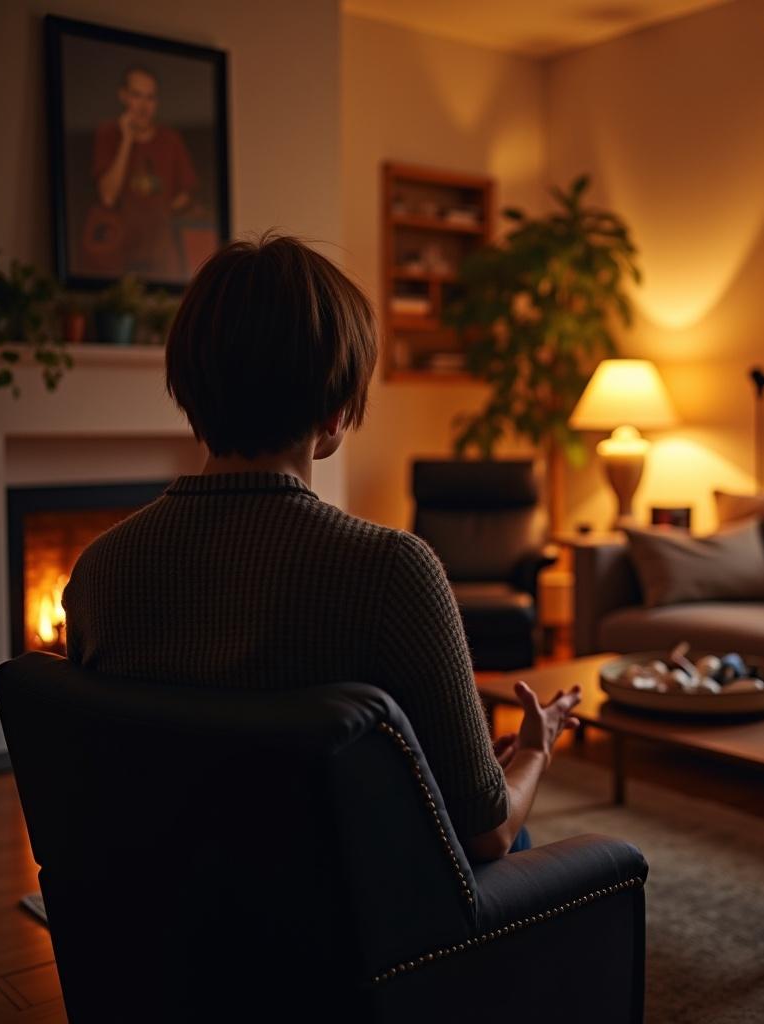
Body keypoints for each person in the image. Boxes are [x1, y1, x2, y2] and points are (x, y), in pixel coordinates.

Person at [62, 233, 580, 862]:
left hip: (173, 929)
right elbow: (487, 835)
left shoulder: (97, 573)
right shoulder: (391, 571)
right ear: (336, 411)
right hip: (347, 945)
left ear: (188, 388)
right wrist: (534, 749)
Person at [86, 66, 198, 279]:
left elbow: (185, 195)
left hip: (161, 253)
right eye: (137, 96)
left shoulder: (170, 140)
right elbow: (108, 196)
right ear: (124, 96)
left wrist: (161, 212)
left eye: (150, 98)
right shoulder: (108, 134)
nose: (143, 107)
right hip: (117, 250)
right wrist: (126, 140)